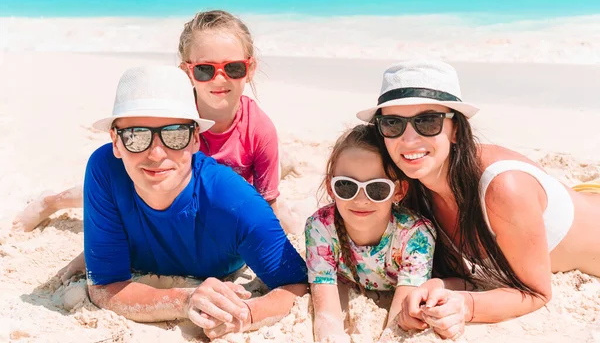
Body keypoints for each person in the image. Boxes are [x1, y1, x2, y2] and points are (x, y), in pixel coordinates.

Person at [355, 60, 600, 338]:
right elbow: (471, 278)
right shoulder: (413, 188)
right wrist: (437, 287)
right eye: (392, 123)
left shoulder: (503, 187)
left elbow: (537, 293)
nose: (409, 139)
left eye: (427, 121)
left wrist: (465, 306)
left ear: (457, 129)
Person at [83, 65, 307, 340]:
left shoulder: (235, 203)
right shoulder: (104, 168)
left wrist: (245, 314)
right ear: (115, 142)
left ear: (195, 140)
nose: (156, 154)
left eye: (174, 135)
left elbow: (298, 284)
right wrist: (184, 300)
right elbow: (103, 288)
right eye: (136, 136)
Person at [12, 9, 285, 234]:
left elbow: (266, 202)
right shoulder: (169, 117)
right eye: (205, 70)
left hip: (213, 201)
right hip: (155, 188)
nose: (220, 79)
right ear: (187, 72)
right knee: (102, 193)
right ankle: (52, 202)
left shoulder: (259, 131)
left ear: (249, 70)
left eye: (233, 68)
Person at [304, 124, 439, 342]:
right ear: (331, 187)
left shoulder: (416, 235)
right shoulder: (320, 228)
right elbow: (326, 317)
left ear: (399, 191)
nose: (360, 199)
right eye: (346, 186)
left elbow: (398, 321)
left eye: (377, 188)